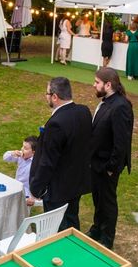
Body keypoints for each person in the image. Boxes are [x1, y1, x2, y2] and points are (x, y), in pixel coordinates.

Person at [29, 77, 92, 231]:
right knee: (72, 220)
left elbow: (48, 161)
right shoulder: (83, 111)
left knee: (57, 228)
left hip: (58, 188)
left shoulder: (56, 123)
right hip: (76, 181)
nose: (46, 97)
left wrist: (36, 188)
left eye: (47, 93)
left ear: (55, 97)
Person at [88, 68, 133, 249]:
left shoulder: (121, 106)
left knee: (107, 201)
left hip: (108, 164)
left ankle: (107, 238)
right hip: (96, 162)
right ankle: (97, 228)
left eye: (97, 82)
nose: (94, 85)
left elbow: (121, 141)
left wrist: (111, 167)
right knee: (97, 199)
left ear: (108, 85)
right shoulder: (106, 102)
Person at [3, 136, 38, 206]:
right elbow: (5, 158)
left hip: (27, 193)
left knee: (21, 211)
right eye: (22, 146)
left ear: (33, 153)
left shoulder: (36, 163)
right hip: (16, 186)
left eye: (25, 148)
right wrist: (12, 153)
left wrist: (32, 197)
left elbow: (38, 181)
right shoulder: (20, 157)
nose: (22, 149)